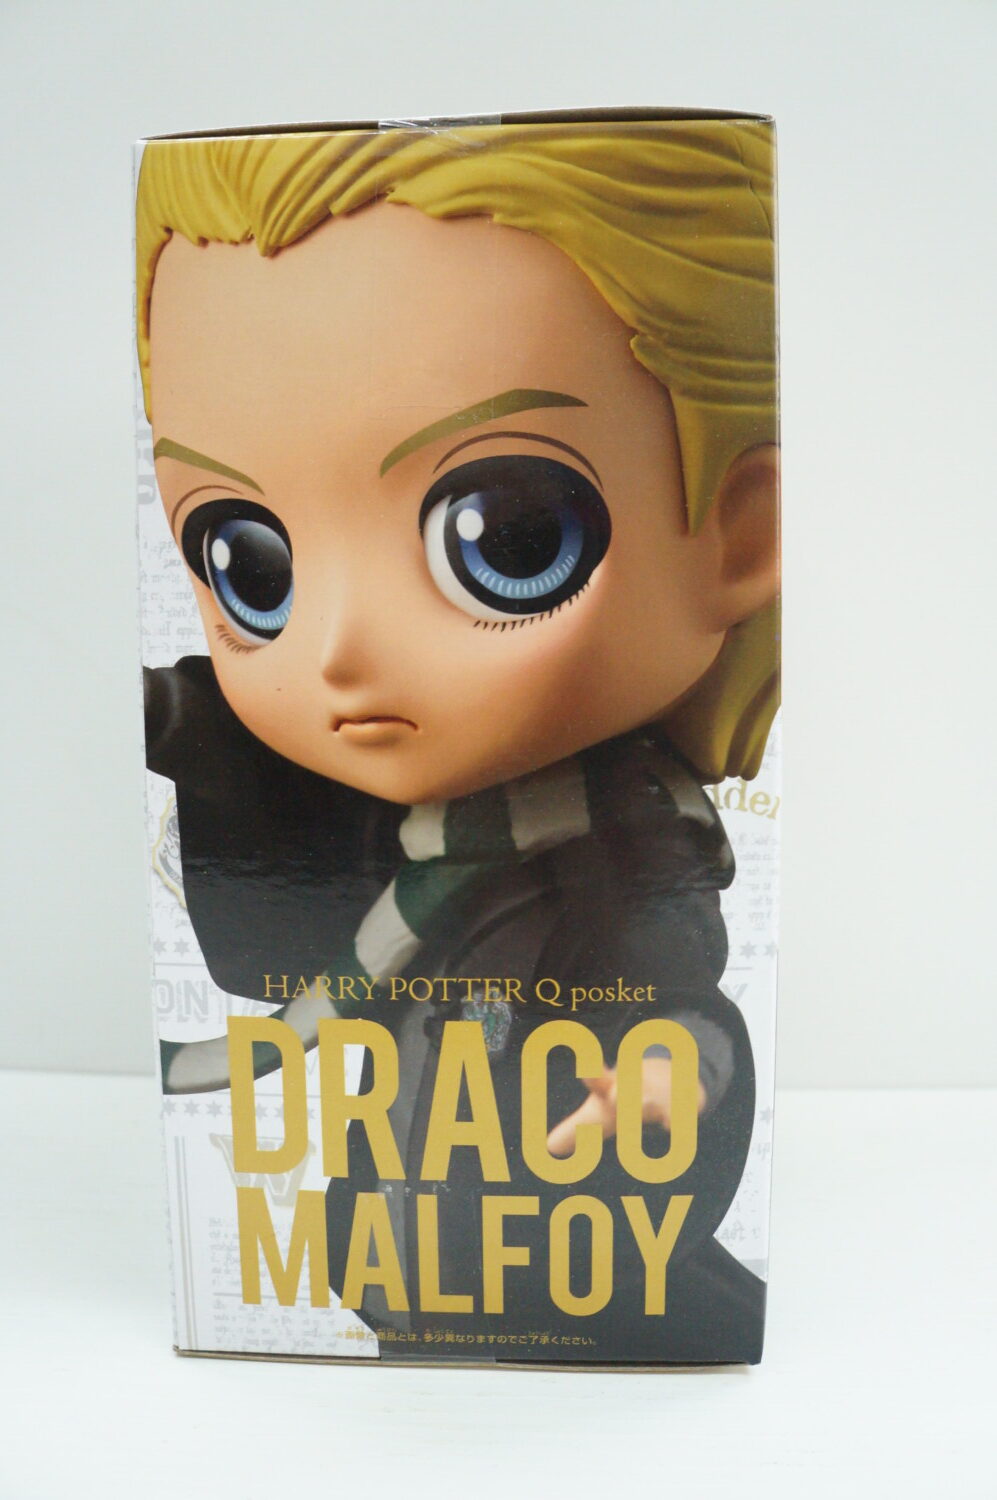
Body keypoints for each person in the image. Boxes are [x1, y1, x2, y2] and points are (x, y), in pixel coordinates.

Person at [138, 116, 778, 1361]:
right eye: (251, 565)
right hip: (399, 1248)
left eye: (508, 536)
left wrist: (674, 1074)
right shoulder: (366, 828)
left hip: (574, 1251)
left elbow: (674, 977)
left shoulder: (624, 823)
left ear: (739, 535)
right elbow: (274, 947)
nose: (337, 652)